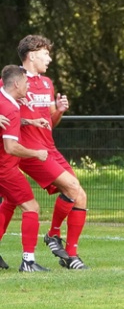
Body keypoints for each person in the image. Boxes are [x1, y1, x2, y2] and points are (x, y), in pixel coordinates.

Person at [11, 35, 88, 269]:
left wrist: (60, 111)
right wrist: (28, 123)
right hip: (30, 152)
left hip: (49, 147)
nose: (50, 58)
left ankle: (69, 253)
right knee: (73, 188)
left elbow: (50, 122)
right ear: (32, 55)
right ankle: (52, 237)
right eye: (46, 53)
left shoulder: (47, 83)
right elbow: (7, 116)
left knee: (80, 195)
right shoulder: (14, 82)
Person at [0, 65, 52, 272]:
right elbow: (11, 147)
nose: (29, 85)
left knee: (10, 204)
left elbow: (10, 122)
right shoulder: (10, 107)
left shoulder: (5, 100)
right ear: (16, 83)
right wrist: (36, 154)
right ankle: (28, 262)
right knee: (32, 208)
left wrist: (29, 121)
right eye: (26, 81)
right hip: (6, 169)